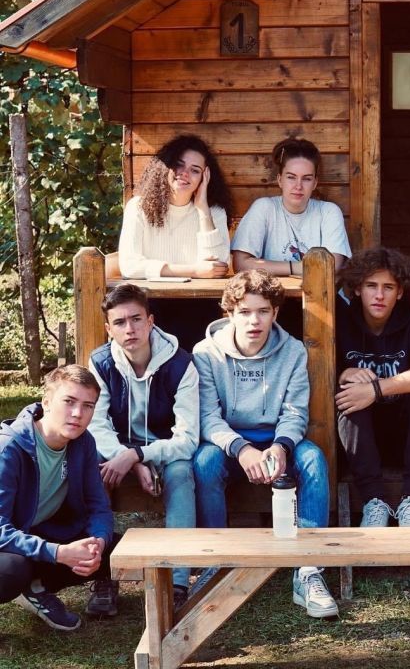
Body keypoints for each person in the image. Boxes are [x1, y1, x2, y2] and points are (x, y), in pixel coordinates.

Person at [192, 271, 338, 619]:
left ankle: (309, 569)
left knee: (313, 459)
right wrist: (241, 449)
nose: (254, 321)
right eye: (244, 312)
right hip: (230, 442)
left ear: (275, 312)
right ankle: (215, 563)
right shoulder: (206, 352)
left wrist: (282, 446)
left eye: (262, 311)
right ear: (229, 313)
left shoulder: (293, 351)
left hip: (276, 439)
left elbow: (294, 411)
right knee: (203, 463)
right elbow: (207, 417)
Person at [88, 284, 199, 609]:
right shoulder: (101, 363)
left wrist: (140, 454)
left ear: (150, 321)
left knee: (181, 473)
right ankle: (103, 576)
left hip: (165, 449)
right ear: (109, 328)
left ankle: (178, 582)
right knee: (94, 467)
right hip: (118, 448)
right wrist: (129, 459)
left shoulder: (181, 364)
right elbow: (96, 425)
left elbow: (188, 439)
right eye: (119, 322)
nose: (130, 329)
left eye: (136, 319)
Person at [336, 247, 410, 527]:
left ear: (399, 292)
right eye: (371, 286)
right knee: (349, 396)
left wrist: (376, 389)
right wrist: (343, 373)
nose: (379, 295)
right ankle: (374, 503)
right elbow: (315, 371)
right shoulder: (341, 322)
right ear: (357, 289)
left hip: (407, 437)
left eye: (388, 287)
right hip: (361, 441)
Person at [0, 366, 117, 630]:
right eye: (69, 401)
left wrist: (97, 543)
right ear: (46, 402)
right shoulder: (8, 448)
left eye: (88, 406)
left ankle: (35, 587)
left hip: (37, 534)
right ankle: (24, 581)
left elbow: (98, 506)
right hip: (7, 545)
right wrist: (58, 553)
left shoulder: (83, 442)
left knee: (116, 549)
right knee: (10, 571)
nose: (78, 413)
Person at [118, 133, 233, 349]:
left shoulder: (214, 212)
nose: (185, 173)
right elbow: (130, 266)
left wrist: (202, 208)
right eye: (179, 165)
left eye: (195, 170)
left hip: (198, 305)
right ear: (166, 167)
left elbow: (218, 265)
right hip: (149, 305)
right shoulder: (138, 207)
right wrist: (194, 271)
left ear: (205, 178)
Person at [231, 137, 351, 277]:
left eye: (306, 178)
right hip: (273, 290)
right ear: (280, 180)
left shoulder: (328, 212)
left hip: (320, 291)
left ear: (315, 183)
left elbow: (332, 266)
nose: (298, 186)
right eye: (291, 177)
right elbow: (240, 264)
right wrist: (297, 268)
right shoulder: (264, 208)